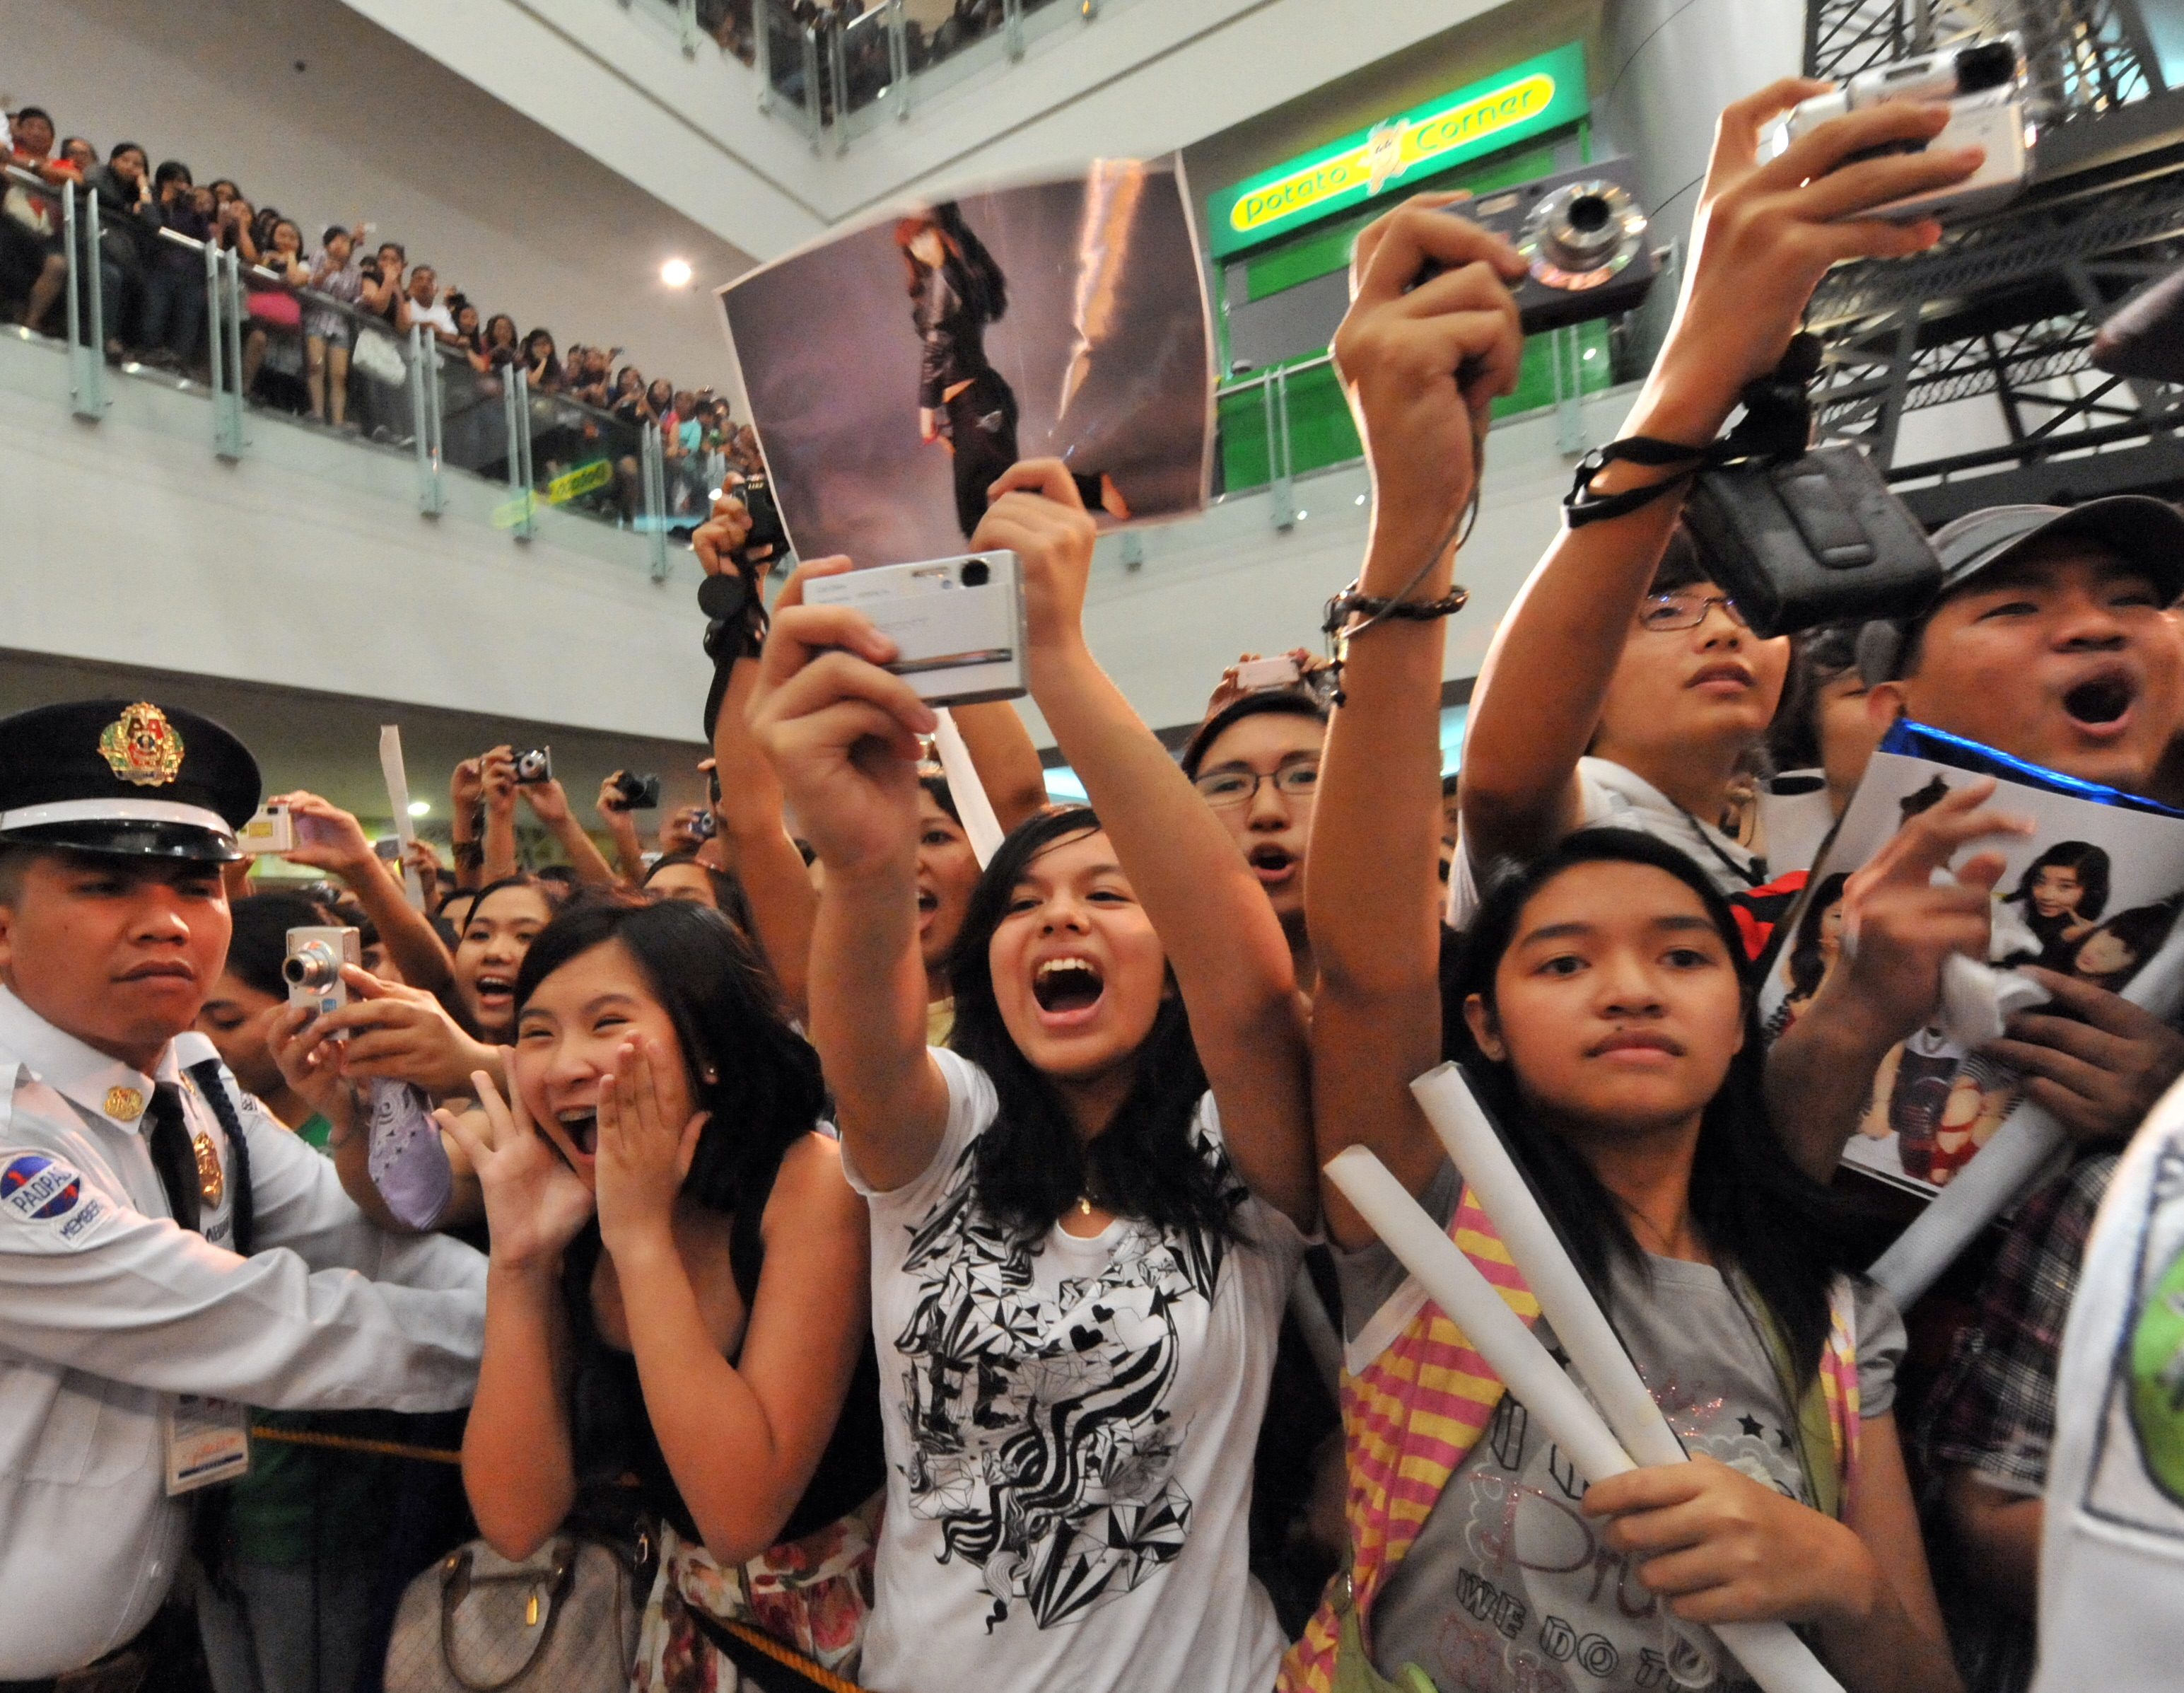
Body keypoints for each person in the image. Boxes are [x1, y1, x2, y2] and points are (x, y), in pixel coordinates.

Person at [750, 458, 1316, 1693]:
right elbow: (867, 1044)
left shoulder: (1245, 1154)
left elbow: (1254, 990)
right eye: (1026, 903)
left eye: (1110, 894)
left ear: (1168, 954)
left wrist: (1053, 652)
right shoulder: (946, 1130)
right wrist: (858, 856)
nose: (1058, 919)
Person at [0, 698, 486, 1683]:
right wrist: (550, 1349)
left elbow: (354, 1233)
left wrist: (532, 1301)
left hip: (146, 1643)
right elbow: (259, 1318)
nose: (168, 922)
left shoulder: (186, 1070)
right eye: (104, 884)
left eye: (195, 883)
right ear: (1, 927)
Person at [446, 895, 886, 1687]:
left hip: (836, 1640)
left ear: (708, 1047)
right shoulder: (572, 1203)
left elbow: (738, 1514)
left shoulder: (809, 1184)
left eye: (608, 1022)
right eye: (537, 1032)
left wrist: (640, 1238)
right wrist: (518, 1265)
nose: (566, 1063)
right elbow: (513, 1522)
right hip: (683, 1627)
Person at [1179, 684, 1327, 989]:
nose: (1267, 813)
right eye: (1228, 785)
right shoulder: (1151, 1015)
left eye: (1304, 777)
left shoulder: (1446, 976)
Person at [898, 203, 1017, 539]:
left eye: (924, 235)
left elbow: (935, 349)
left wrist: (926, 416)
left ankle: (1093, 488)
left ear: (943, 232)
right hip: (973, 402)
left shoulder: (948, 279)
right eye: (913, 241)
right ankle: (1093, 489)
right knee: (993, 502)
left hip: (977, 404)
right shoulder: (955, 277)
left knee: (988, 508)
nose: (918, 247)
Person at [2001, 842, 2111, 971]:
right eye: (2040, 882)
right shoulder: (2016, 907)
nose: (2047, 896)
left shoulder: (2090, 935)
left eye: (2065, 887)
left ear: (2091, 891)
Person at [305, 225, 365, 429]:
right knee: (316, 364)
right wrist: (324, 273)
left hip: (340, 325)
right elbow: (309, 285)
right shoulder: (318, 256)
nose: (340, 244)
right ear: (327, 244)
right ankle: (318, 412)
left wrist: (363, 301)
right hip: (317, 319)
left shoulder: (356, 271)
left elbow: (356, 299)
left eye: (344, 240)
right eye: (335, 240)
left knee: (339, 375)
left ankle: (338, 420)